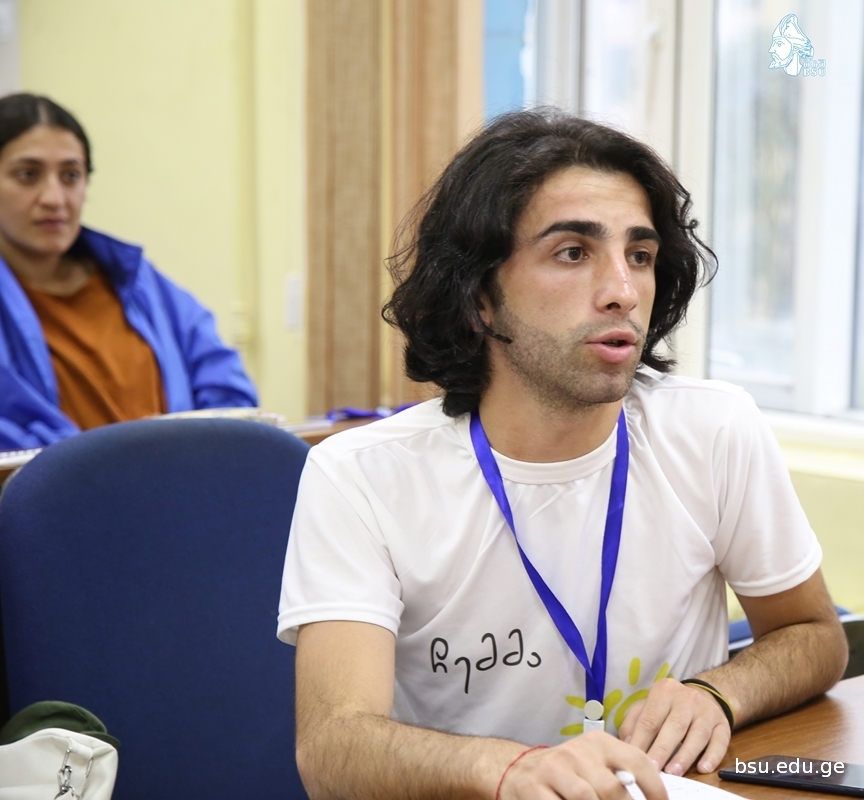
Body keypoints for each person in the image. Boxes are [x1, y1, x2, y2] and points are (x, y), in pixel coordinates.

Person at [277, 109, 847, 800]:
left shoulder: (714, 428)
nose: (623, 291)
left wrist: (722, 691)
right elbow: (332, 746)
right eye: (573, 253)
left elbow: (813, 634)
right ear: (480, 298)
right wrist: (509, 769)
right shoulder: (360, 476)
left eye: (640, 256)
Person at [0, 93, 257, 450]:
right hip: (54, 486)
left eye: (71, 176)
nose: (55, 199)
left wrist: (194, 456)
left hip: (177, 479)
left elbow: (229, 393)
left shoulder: (138, 282)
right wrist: (110, 467)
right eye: (28, 175)